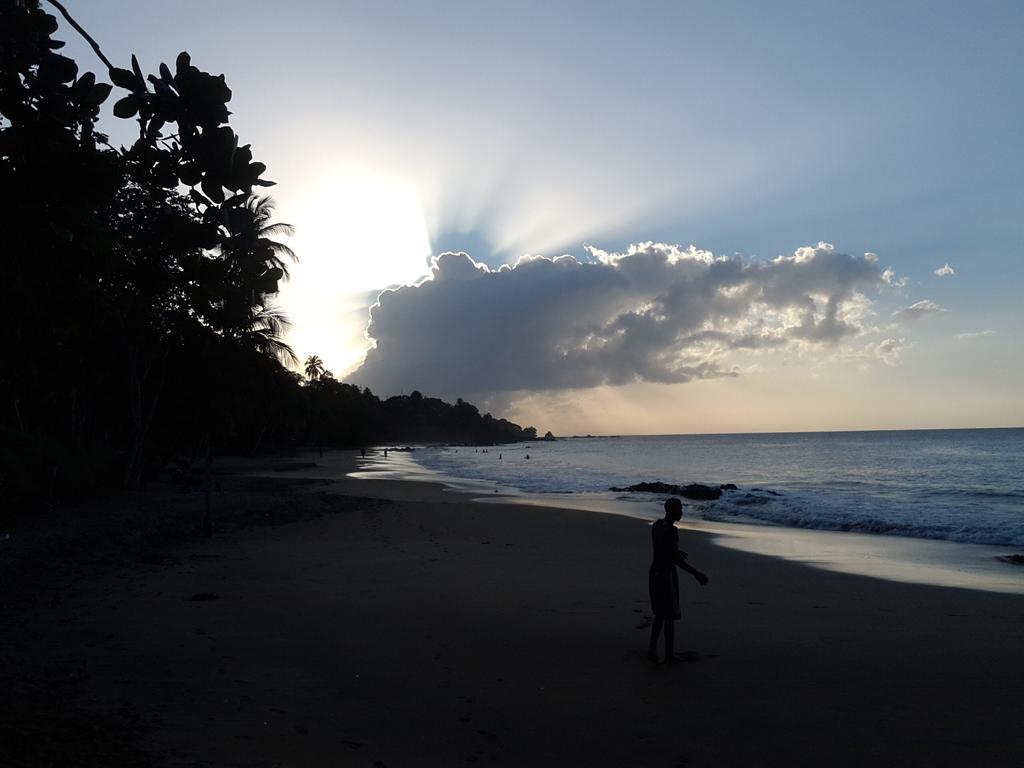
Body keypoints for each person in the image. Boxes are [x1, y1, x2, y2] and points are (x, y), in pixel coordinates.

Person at [648, 497, 708, 664]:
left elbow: (663, 549)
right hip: (666, 576)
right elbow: (674, 560)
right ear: (671, 511)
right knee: (670, 616)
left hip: (654, 573)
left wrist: (675, 551)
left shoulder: (657, 525)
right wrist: (696, 573)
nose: (682, 512)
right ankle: (669, 655)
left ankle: (652, 648)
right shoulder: (672, 531)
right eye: (679, 509)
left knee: (660, 614)